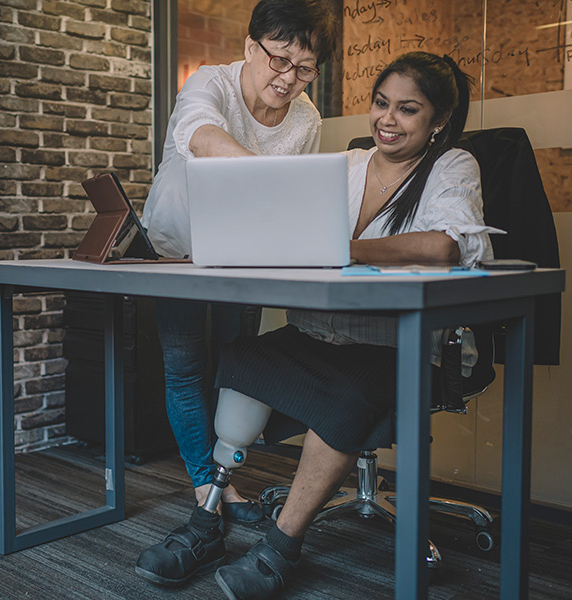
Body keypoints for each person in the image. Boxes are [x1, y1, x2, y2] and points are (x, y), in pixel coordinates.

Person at [136, 51, 502, 599]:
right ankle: (208, 519)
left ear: (438, 121)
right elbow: (293, 230)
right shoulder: (348, 165)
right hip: (320, 333)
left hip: (390, 343)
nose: (387, 119)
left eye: (407, 109)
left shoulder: (452, 166)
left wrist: (343, 247)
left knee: (342, 396)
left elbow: (444, 243)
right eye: (381, 104)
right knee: (243, 360)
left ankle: (281, 548)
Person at [140, 0, 339, 526]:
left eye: (304, 68)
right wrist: (266, 177)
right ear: (251, 47)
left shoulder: (306, 119)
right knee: (185, 368)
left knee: (237, 368)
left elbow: (294, 201)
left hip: (245, 255)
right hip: (177, 248)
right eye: (279, 60)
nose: (289, 78)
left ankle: (224, 478)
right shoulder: (210, 84)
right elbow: (201, 136)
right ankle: (205, 484)